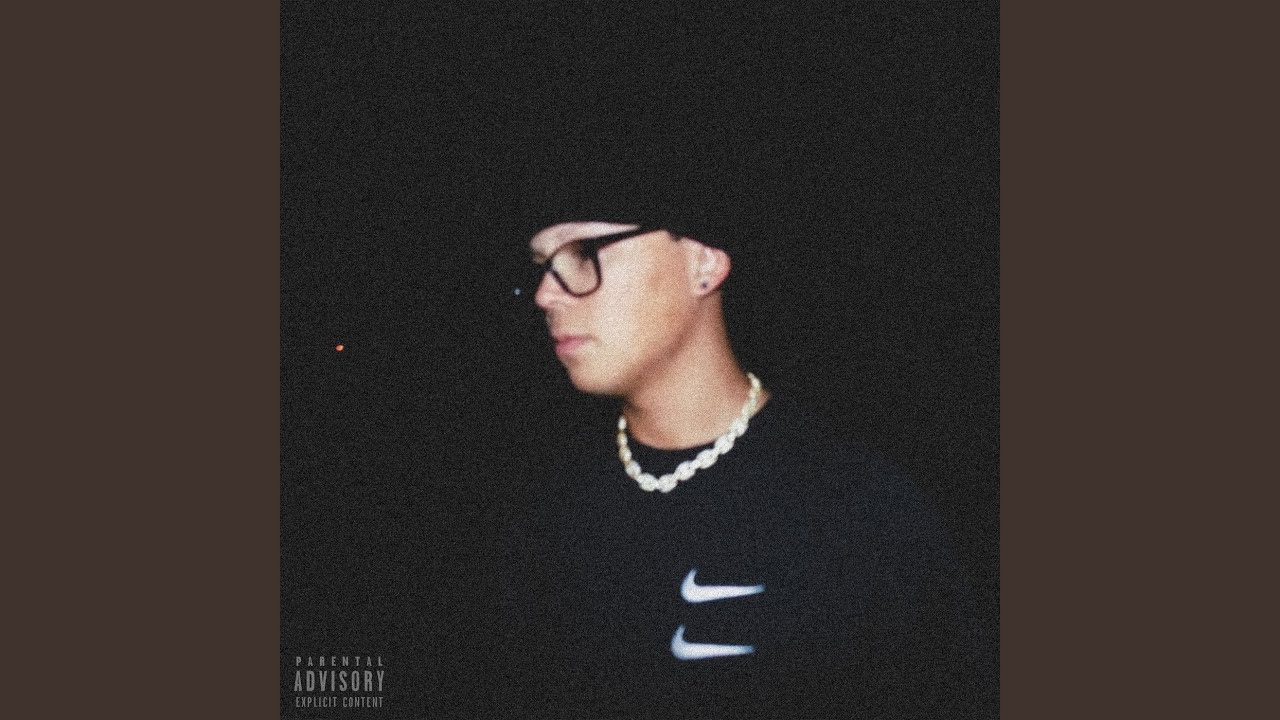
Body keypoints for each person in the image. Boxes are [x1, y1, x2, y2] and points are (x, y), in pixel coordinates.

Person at [499, 210, 995, 718]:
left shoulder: (863, 508)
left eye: (584, 253)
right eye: (541, 266)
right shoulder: (534, 515)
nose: (544, 294)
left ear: (704, 264)